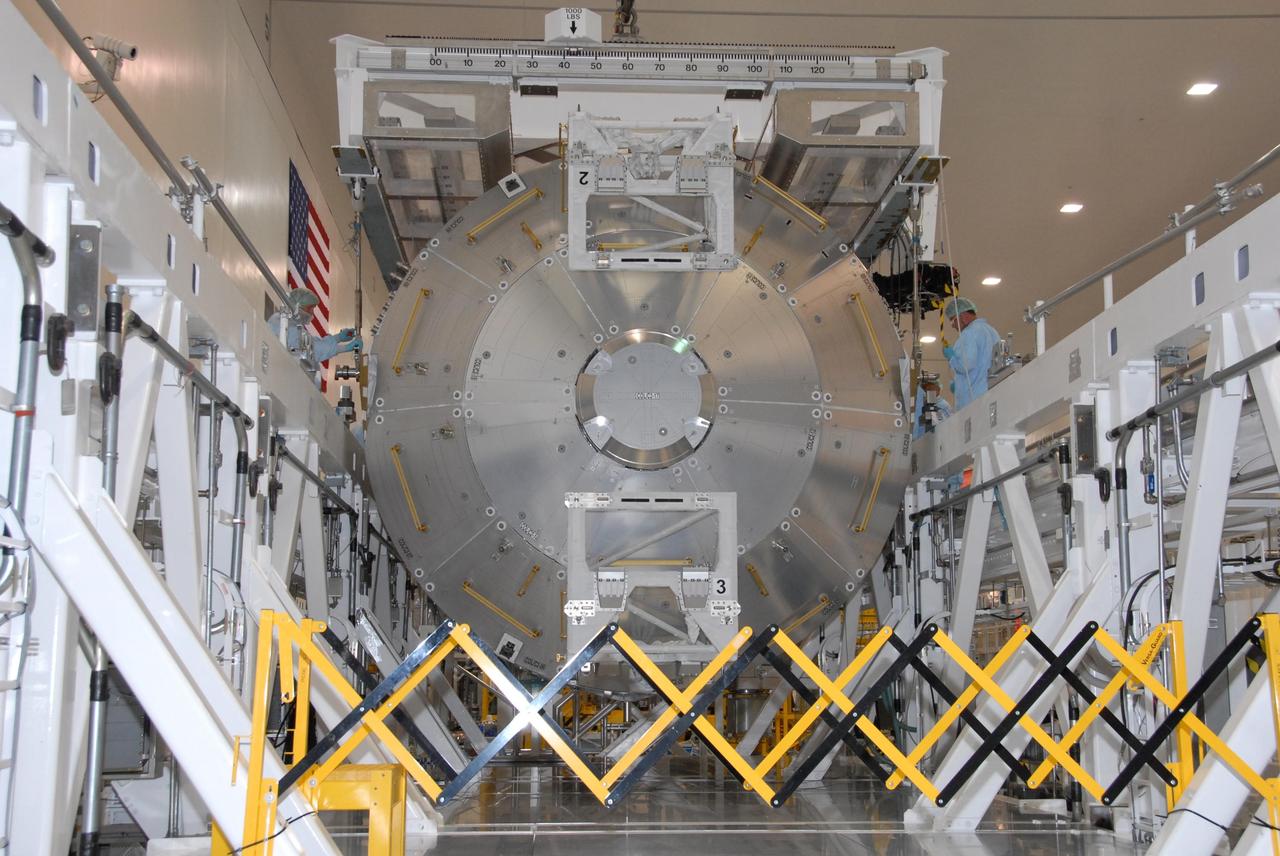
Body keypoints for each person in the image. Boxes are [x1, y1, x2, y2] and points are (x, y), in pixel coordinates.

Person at [267, 289, 362, 367]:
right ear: (297, 306)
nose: (312, 313)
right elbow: (313, 349)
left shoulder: (284, 320)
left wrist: (338, 338)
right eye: (309, 308)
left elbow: (310, 342)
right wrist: (346, 348)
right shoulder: (287, 326)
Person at [941, 297, 999, 410]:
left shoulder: (969, 334)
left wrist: (951, 357)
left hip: (972, 401)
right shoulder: (992, 331)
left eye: (953, 320)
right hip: (990, 397)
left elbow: (966, 365)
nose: (952, 325)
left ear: (963, 317)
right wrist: (957, 384)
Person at [912, 372, 952, 439]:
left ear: (938, 390)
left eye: (931, 389)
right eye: (925, 389)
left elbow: (945, 423)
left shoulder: (943, 405)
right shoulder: (922, 403)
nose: (928, 391)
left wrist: (930, 415)